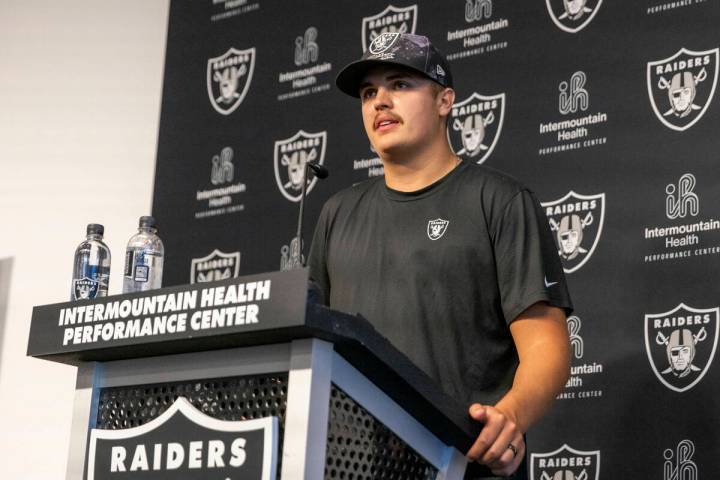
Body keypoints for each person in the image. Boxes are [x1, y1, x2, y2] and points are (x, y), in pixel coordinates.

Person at [308, 33, 572, 478]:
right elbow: (314, 341)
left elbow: (546, 346)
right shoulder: (337, 212)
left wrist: (508, 419)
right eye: (369, 93)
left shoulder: (500, 201)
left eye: (400, 85)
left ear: (445, 100)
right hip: (348, 467)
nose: (380, 102)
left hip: (461, 462)